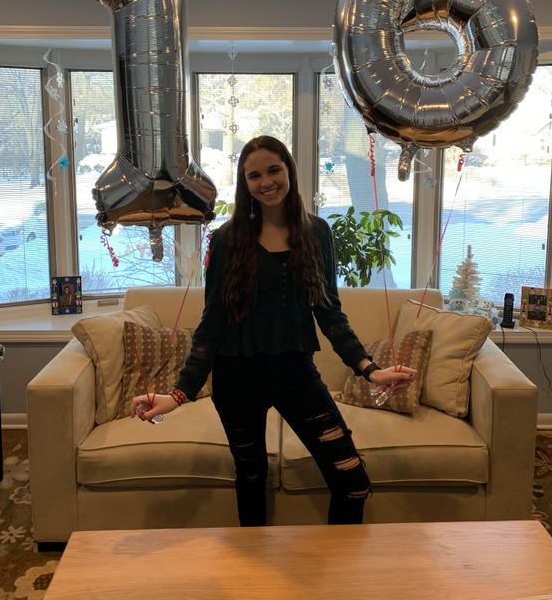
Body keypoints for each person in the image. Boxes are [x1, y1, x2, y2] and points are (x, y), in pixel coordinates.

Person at [131, 135, 416, 526]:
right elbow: (212, 322)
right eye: (254, 175)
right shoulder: (226, 239)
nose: (266, 182)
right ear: (244, 183)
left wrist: (370, 369)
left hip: (296, 374)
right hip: (236, 379)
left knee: (352, 480)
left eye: (273, 170)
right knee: (251, 479)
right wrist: (180, 394)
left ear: (289, 171)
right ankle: (256, 564)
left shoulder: (317, 233)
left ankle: (341, 562)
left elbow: (330, 313)